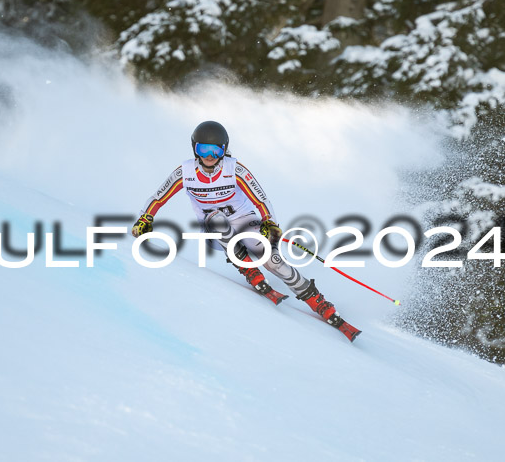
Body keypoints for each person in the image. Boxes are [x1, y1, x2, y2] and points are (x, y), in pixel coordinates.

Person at [131, 120, 359, 339]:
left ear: (224, 151)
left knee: (272, 260)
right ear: (194, 148)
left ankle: (318, 302)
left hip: (245, 220)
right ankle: (249, 270)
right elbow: (158, 197)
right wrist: (145, 218)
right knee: (216, 218)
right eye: (203, 149)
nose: (209, 157)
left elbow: (261, 199)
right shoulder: (185, 172)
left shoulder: (234, 169)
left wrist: (270, 223)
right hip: (214, 229)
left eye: (216, 151)